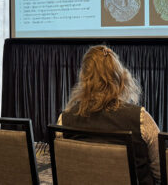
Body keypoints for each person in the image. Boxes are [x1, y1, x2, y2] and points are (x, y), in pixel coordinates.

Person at [57, 45, 160, 184]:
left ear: (84, 79)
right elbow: (161, 170)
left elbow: (63, 168)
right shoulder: (140, 118)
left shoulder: (64, 119)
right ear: (120, 77)